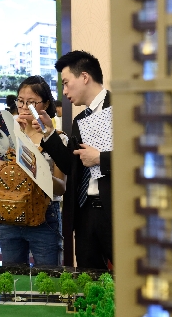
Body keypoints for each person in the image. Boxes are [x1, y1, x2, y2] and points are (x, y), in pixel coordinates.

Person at [31, 51, 112, 269]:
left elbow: (139, 157)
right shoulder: (80, 119)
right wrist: (49, 133)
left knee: (126, 277)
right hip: (85, 213)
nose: (64, 91)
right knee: (88, 276)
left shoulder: (122, 108)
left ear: (84, 77)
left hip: (115, 211)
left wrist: (101, 158)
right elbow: (70, 166)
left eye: (66, 83)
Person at [0, 76, 67, 266]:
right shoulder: (8, 135)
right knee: (12, 276)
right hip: (9, 214)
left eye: (31, 102)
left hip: (44, 217)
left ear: (46, 104)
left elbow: (61, 188)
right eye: (20, 101)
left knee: (48, 278)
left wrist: (38, 173)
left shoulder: (56, 139)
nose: (24, 107)